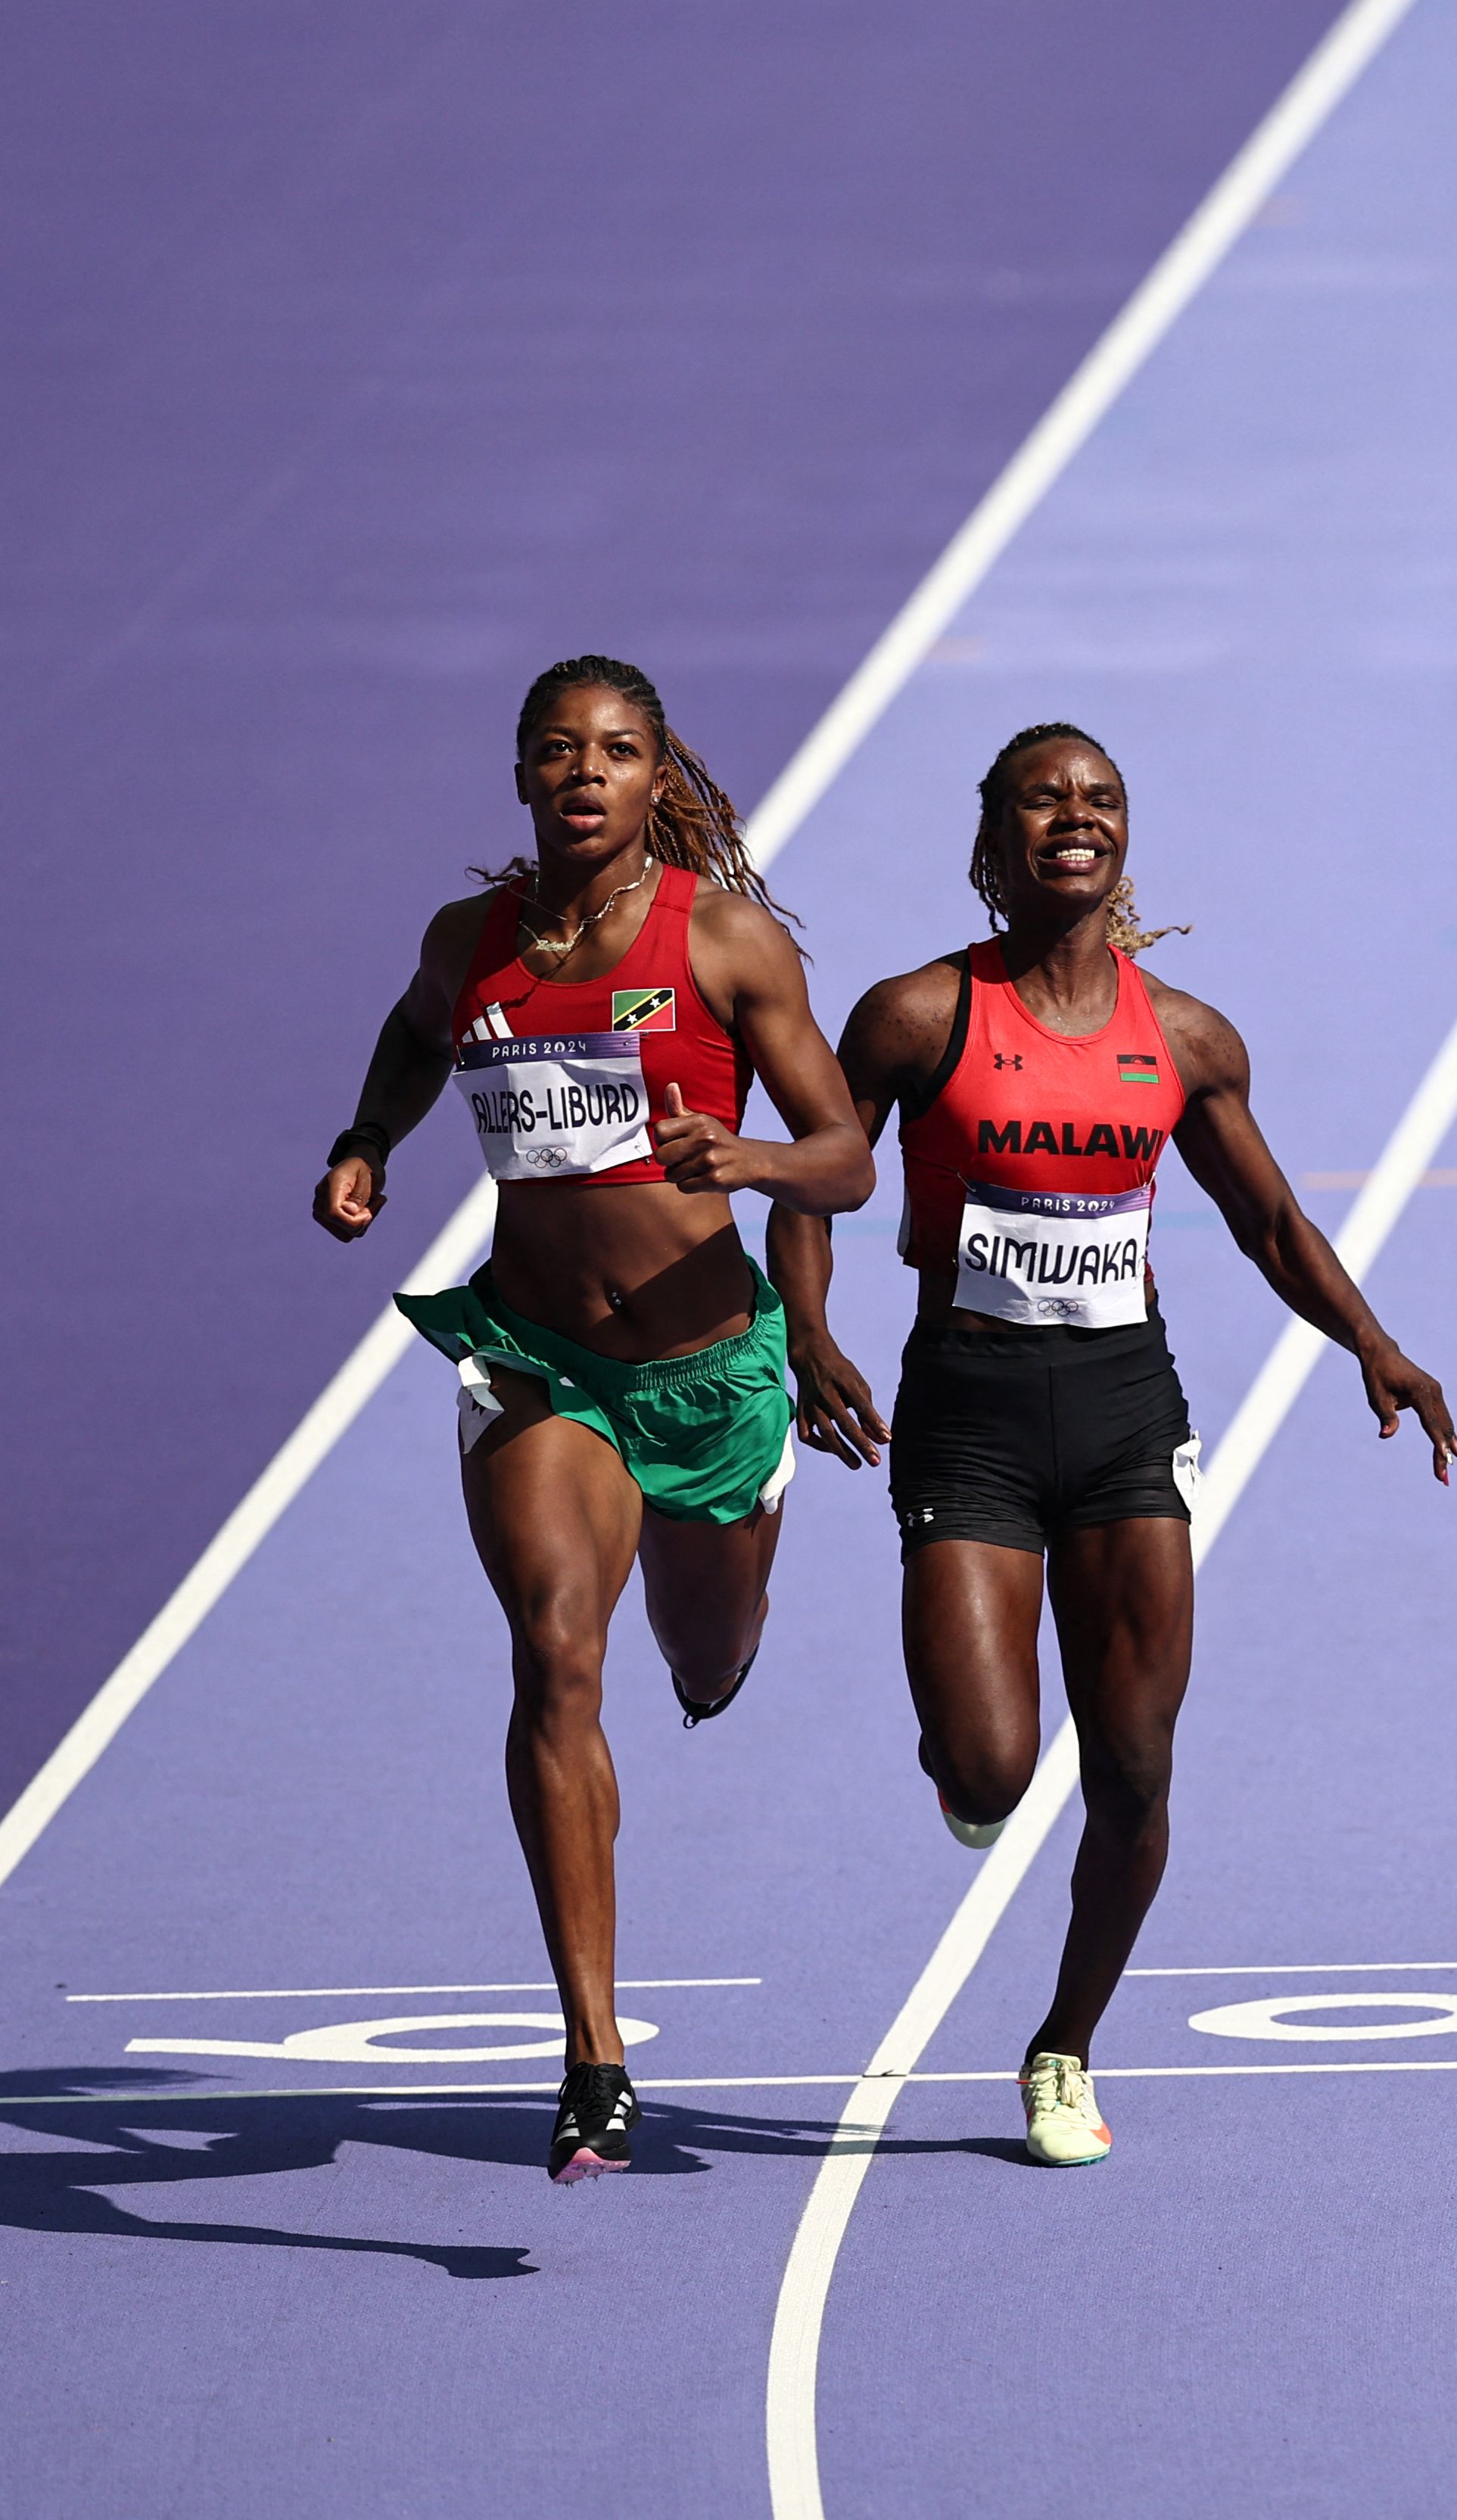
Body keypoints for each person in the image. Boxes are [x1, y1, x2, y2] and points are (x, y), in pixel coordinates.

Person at [774, 723, 1457, 2166]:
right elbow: (820, 1181)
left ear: (1126, 836)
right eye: (1044, 799)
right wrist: (808, 1332)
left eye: (1099, 800)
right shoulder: (915, 1016)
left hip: (1127, 1415)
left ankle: (1064, 2047)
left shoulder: (1186, 1038)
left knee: (1137, 1769)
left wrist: (1374, 1344)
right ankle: (968, 1773)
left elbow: (1269, 1222)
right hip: (966, 1415)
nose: (1073, 819)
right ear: (996, 837)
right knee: (987, 1768)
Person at [316, 656, 873, 2179]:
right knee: (559, 1650)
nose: (584, 771)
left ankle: (730, 1609)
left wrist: (745, 1165)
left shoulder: (728, 942)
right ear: (520, 778)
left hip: (700, 1374)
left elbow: (842, 1156)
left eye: (616, 751)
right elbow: (417, 1026)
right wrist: (370, 1137)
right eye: (557, 750)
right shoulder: (472, 941)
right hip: (538, 1356)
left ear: (653, 781)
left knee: (702, 1658)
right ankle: (593, 2053)